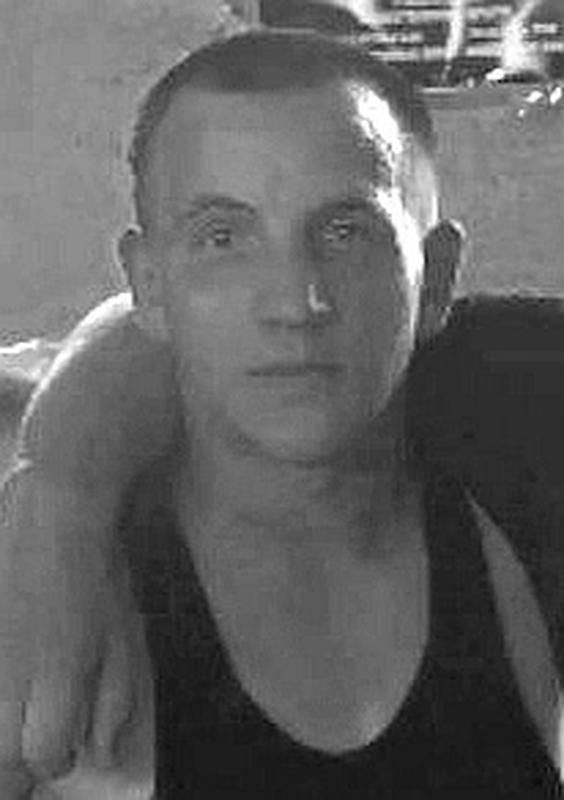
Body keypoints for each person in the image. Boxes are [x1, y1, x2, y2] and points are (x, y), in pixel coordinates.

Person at [1, 30, 563, 797]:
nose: (297, 303)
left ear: (435, 278)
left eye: (344, 232)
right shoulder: (63, 606)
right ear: (149, 284)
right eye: (224, 238)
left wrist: (60, 486)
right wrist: (56, 495)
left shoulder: (519, 422)